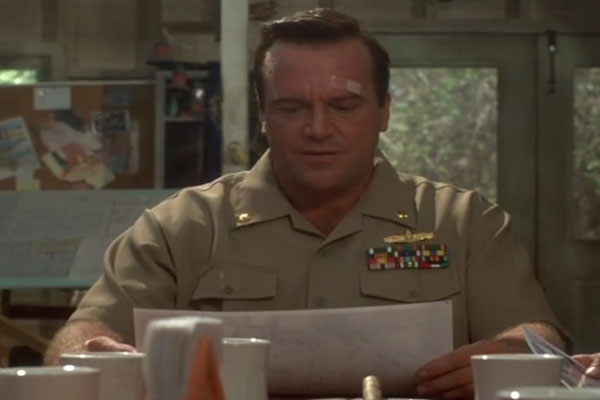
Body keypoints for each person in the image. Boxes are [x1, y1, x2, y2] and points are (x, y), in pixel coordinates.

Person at [45, 8, 567, 398]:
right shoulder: (182, 227)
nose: (318, 129)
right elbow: (82, 335)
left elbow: (537, 338)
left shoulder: (463, 222)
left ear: (385, 110)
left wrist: (511, 354)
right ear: (263, 113)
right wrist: (89, 351)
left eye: (344, 106)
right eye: (292, 107)